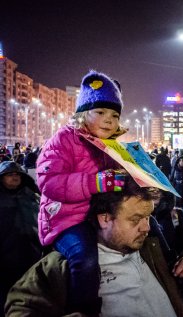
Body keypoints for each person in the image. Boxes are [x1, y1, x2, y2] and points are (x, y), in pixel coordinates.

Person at [5, 175, 183, 317]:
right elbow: (21, 306)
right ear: (104, 218)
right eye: (136, 219)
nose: (146, 227)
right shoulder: (67, 263)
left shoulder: (151, 248)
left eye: (148, 217)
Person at [35, 70, 128, 314]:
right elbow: (49, 181)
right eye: (100, 112)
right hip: (65, 220)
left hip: (97, 216)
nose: (109, 120)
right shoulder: (64, 139)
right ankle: (82, 310)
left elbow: (115, 182)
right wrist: (96, 182)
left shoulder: (111, 146)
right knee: (85, 260)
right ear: (82, 114)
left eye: (115, 115)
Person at [0, 161, 42, 315]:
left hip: (31, 257)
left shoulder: (31, 196)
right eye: (9, 174)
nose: (14, 177)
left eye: (17, 174)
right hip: (6, 262)